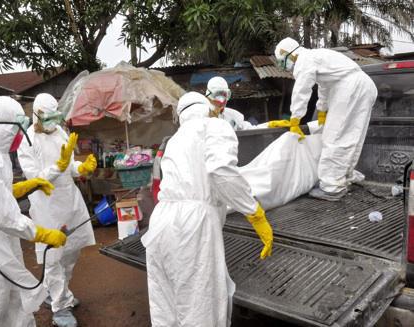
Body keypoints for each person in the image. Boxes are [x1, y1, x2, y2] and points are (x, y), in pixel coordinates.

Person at [142, 91, 273, 327]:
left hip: (161, 220)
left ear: (180, 116)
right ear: (207, 108)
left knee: (165, 302)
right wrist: (253, 211)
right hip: (193, 224)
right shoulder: (213, 127)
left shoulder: (174, 140)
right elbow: (222, 172)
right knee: (200, 305)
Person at [0, 96, 67, 327]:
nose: (21, 135)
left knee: (17, 306)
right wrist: (43, 234)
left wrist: (30, 184)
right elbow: (6, 217)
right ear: (3, 130)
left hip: (3, 243)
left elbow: (1, 193)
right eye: (17, 129)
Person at [18, 93, 97, 327]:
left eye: (56, 116)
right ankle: (60, 308)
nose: (53, 122)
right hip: (46, 203)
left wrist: (81, 167)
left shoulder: (61, 133)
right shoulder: (28, 141)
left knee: (71, 251)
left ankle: (56, 293)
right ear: (37, 115)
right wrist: (58, 167)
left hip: (70, 200)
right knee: (52, 257)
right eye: (48, 117)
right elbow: (34, 178)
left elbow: (69, 166)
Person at [269, 37, 378, 201]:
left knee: (334, 137)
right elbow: (324, 86)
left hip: (350, 89)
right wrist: (321, 110)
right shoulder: (317, 56)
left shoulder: (304, 60)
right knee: (352, 136)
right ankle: (344, 177)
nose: (284, 67)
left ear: (288, 55)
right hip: (365, 85)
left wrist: (295, 119)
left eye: (282, 62)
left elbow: (301, 90)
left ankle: (331, 187)